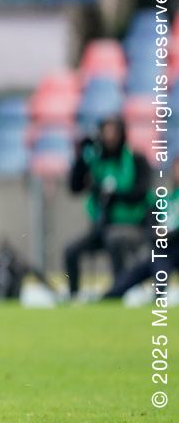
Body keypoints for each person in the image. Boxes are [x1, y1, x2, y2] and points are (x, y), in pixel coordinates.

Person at [64, 116, 150, 299]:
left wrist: (115, 195)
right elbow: (75, 187)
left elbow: (141, 193)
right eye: (105, 132)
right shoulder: (97, 160)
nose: (109, 137)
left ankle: (118, 291)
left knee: (114, 239)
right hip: (102, 227)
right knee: (71, 250)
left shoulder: (136, 159)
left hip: (133, 226)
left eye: (113, 132)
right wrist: (81, 156)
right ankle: (74, 296)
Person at [102, 158, 178, 301]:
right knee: (128, 278)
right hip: (162, 250)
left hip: (173, 247)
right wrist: (157, 233)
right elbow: (151, 222)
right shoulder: (167, 199)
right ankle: (110, 296)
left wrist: (169, 234)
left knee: (160, 271)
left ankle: (158, 297)